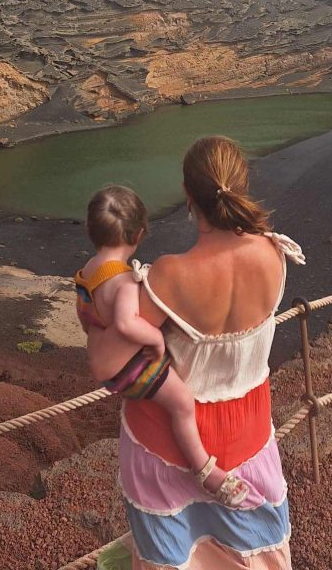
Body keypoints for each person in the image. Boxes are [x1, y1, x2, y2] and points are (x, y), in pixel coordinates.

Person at [114, 136, 305, 569]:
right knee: (254, 550)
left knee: (172, 554)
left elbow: (121, 355)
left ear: (188, 196)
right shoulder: (274, 255)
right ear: (241, 184)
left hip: (168, 446)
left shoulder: (170, 275)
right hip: (248, 434)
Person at [74, 185, 250, 506]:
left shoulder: (87, 272)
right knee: (181, 403)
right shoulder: (125, 281)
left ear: (90, 229)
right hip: (130, 370)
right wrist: (155, 340)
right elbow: (127, 323)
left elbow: (86, 315)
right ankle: (205, 471)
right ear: (139, 234)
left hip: (102, 365)